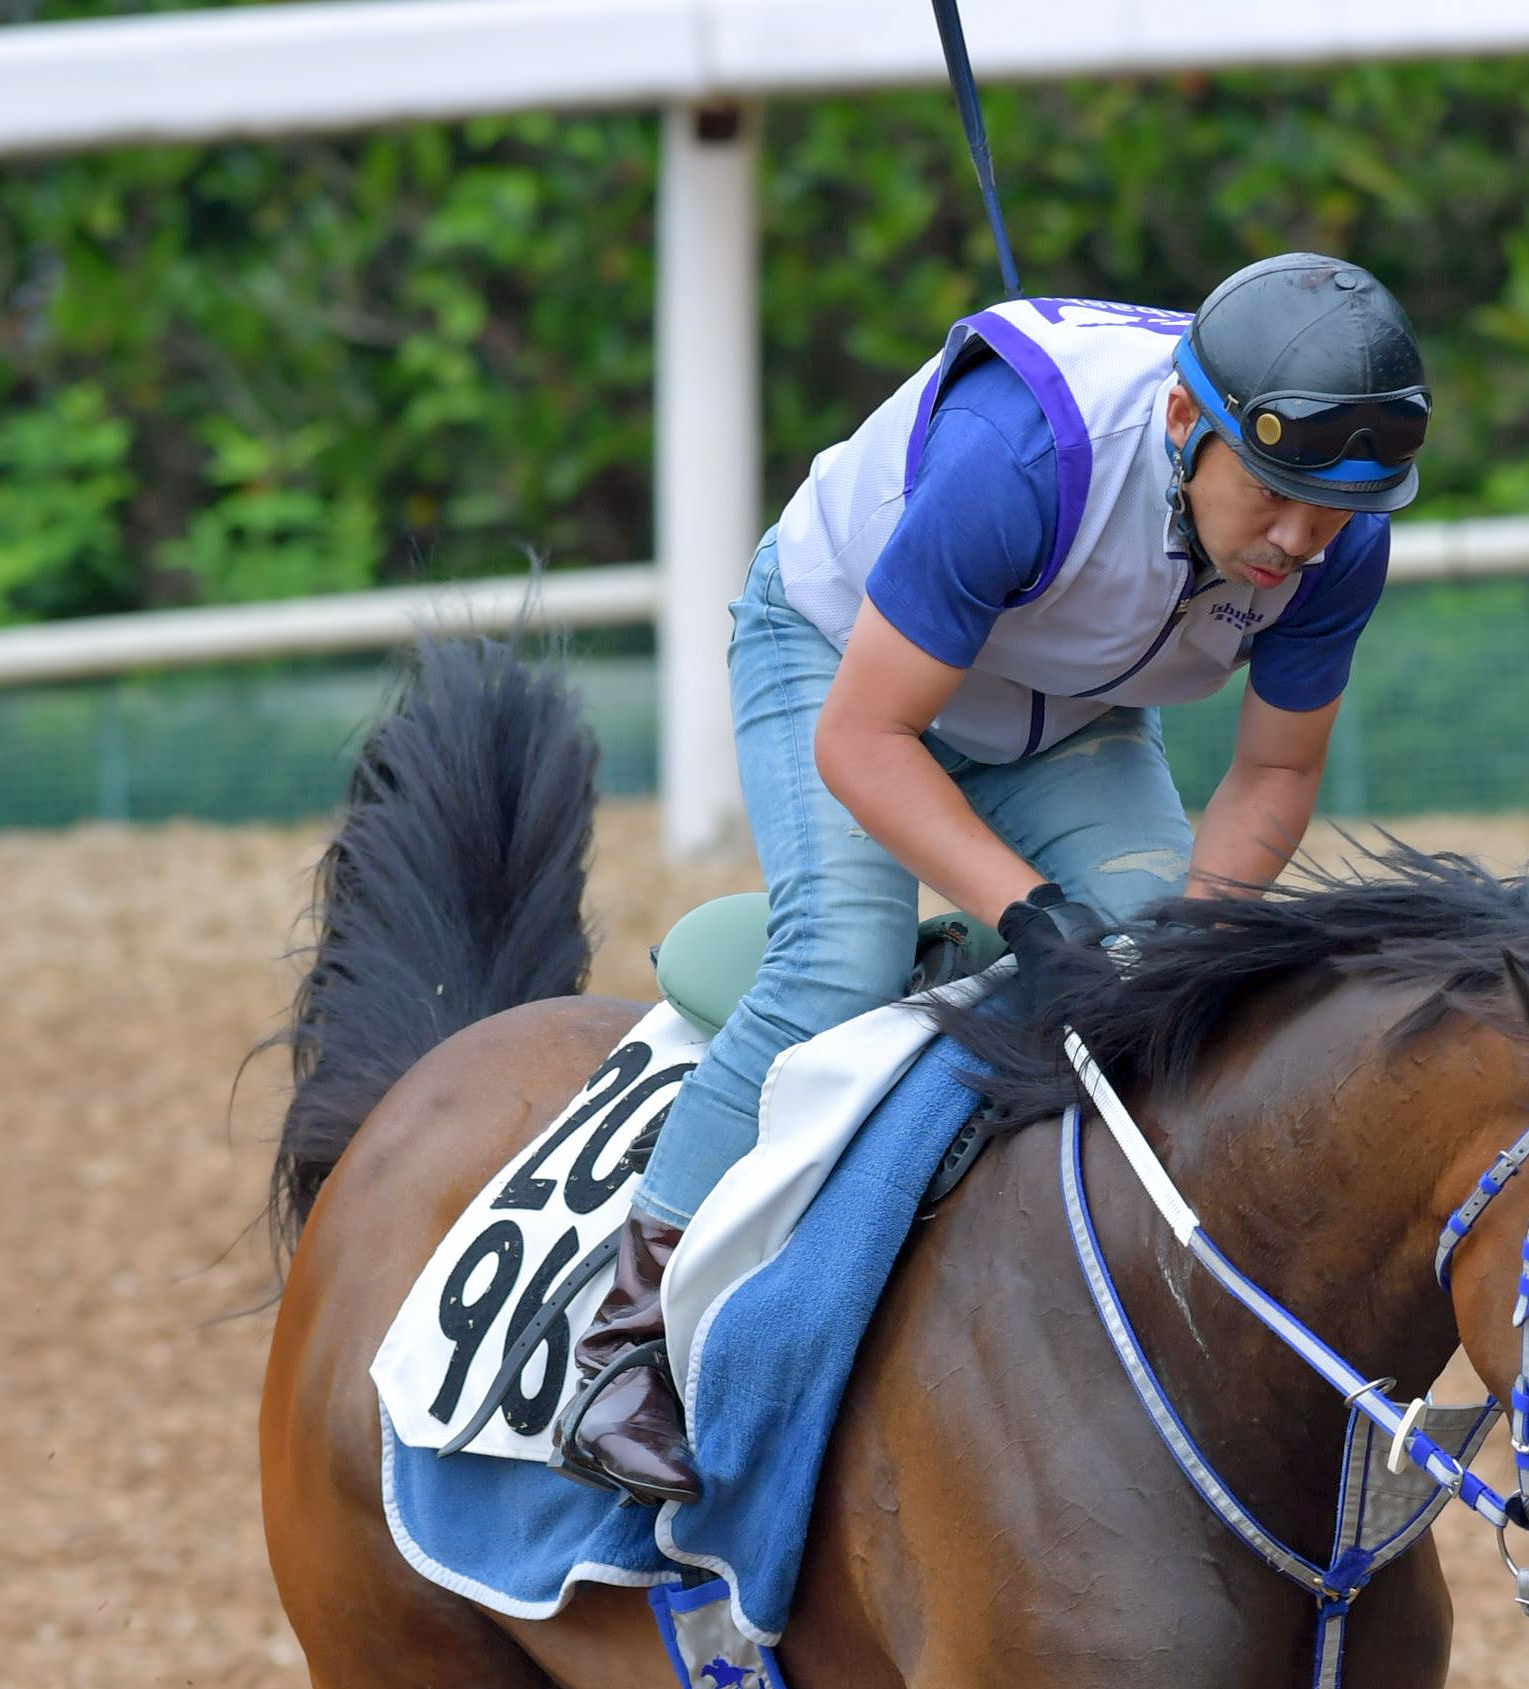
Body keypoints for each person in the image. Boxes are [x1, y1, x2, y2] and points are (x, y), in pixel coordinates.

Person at [558, 251, 1431, 1505]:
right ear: (1186, 423)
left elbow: (1273, 780)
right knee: (839, 963)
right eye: (1274, 495)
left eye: (1332, 512)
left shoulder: (1337, 543)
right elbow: (865, 741)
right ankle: (625, 1341)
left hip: (1069, 714)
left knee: (1164, 999)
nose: (1297, 542)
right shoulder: (1017, 461)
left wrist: (1187, 946)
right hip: (841, 659)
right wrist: (1025, 909)